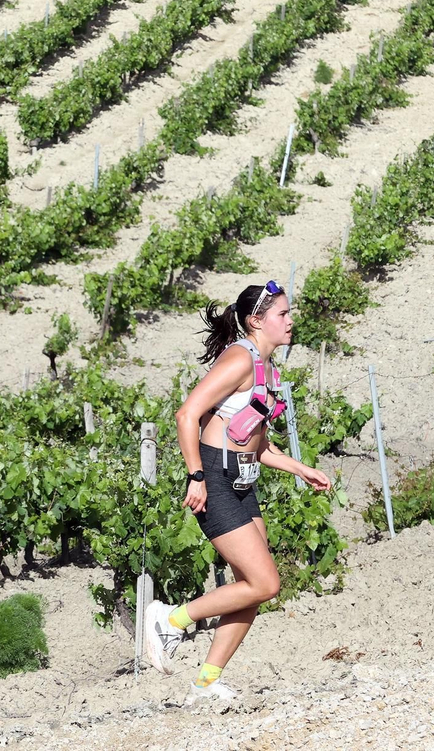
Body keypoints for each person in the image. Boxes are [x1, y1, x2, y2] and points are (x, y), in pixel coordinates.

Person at [142, 280, 332, 704]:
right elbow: (187, 414)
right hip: (216, 477)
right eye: (282, 314)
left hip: (242, 479)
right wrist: (196, 476)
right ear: (256, 321)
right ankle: (169, 619)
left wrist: (301, 469)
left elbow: (256, 445)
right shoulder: (240, 359)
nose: (290, 320)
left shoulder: (266, 368)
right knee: (266, 582)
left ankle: (205, 683)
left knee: (253, 584)